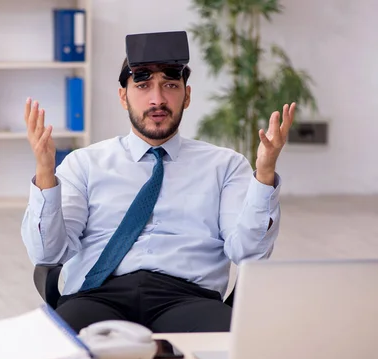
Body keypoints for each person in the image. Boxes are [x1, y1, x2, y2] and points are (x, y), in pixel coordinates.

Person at [20, 51, 296, 334]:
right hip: (96, 295)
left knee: (229, 355)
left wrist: (264, 175)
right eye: (142, 86)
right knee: (61, 352)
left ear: (186, 96)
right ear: (123, 96)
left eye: (170, 85)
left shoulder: (225, 165)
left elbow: (250, 254)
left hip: (188, 298)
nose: (157, 99)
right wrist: (45, 172)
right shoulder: (85, 163)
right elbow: (48, 253)